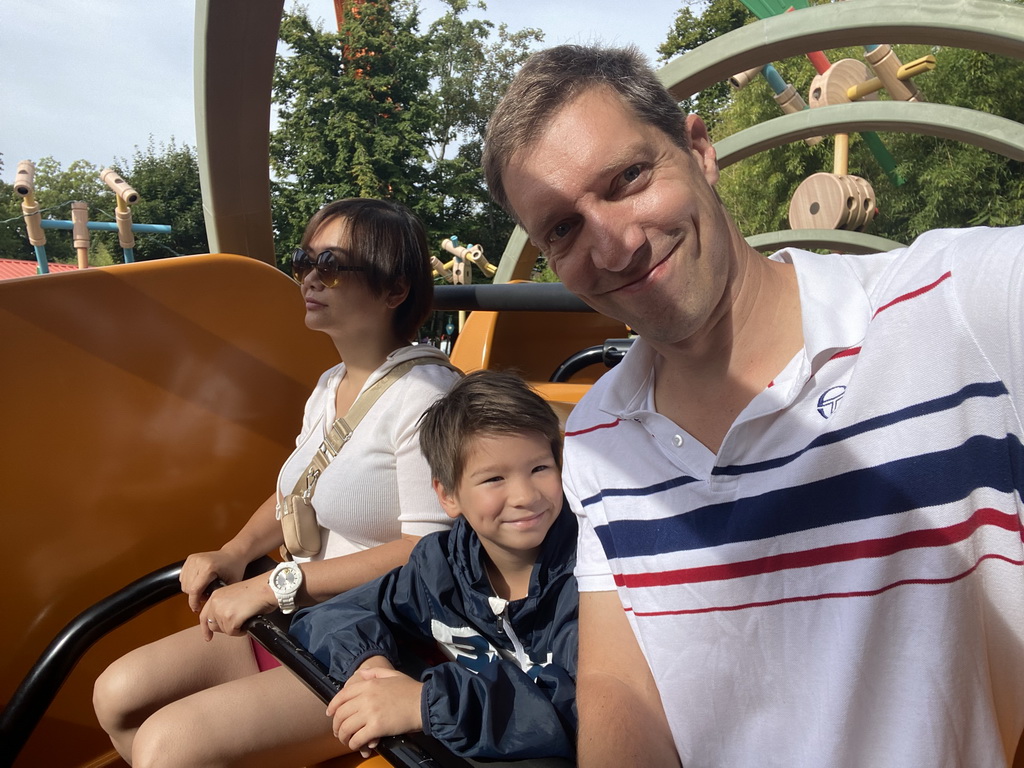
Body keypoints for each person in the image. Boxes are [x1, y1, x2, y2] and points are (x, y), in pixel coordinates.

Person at [483, 44, 1024, 767]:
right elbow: (623, 686)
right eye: (563, 228)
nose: (613, 247)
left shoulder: (957, 303)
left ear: (699, 151)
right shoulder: (597, 437)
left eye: (628, 179)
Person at [92, 198, 462, 767]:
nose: (310, 278)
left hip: (380, 642)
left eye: (333, 264)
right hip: (304, 616)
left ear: (396, 290)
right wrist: (237, 552)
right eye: (304, 260)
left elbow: (429, 552)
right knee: (117, 697)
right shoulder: (332, 383)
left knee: (170, 747)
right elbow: (299, 490)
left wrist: (274, 585)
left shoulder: (428, 397)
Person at [290, 369, 579, 760]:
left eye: (539, 469)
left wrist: (425, 702)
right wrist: (373, 671)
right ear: (447, 495)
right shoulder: (441, 566)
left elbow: (574, 716)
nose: (525, 495)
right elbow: (334, 614)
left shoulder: (589, 581)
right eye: (494, 478)